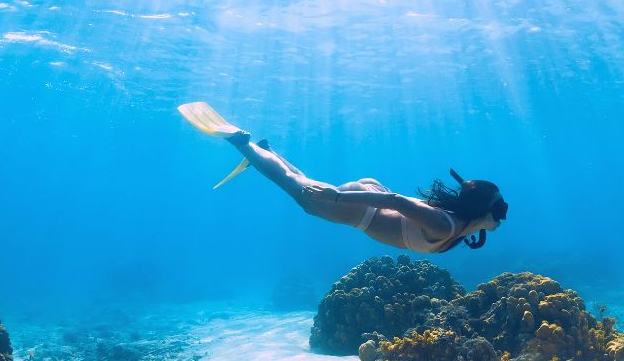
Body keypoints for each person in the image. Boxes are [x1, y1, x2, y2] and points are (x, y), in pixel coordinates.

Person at [178, 102, 508, 253]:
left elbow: (394, 201)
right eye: (502, 209)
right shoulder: (445, 225)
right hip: (362, 208)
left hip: (369, 198)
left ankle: (268, 151)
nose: (504, 216)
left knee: (304, 184)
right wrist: (336, 198)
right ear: (485, 211)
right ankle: (241, 142)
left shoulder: (460, 226)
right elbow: (392, 201)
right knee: (298, 191)